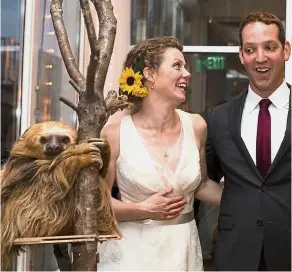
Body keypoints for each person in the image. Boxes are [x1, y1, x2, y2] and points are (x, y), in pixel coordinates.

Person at [98, 36, 222, 271]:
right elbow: (98, 204)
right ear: (150, 74)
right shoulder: (115, 133)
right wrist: (143, 210)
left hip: (183, 251)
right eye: (177, 65)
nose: (187, 73)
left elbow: (201, 185)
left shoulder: (196, 126)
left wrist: (251, 201)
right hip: (130, 256)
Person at [206, 12, 291, 271]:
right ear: (241, 56)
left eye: (270, 47)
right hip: (236, 252)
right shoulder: (219, 118)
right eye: (251, 49)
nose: (260, 57)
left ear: (286, 50)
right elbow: (204, 179)